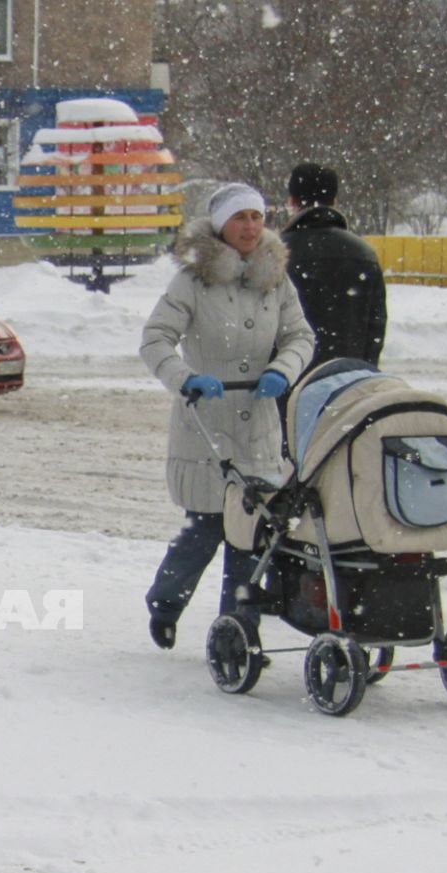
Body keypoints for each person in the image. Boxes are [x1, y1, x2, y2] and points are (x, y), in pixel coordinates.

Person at [140, 182, 314, 650]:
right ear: (220, 225)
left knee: (251, 535)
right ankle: (166, 602)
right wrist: (185, 377)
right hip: (206, 424)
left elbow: (301, 337)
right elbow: (155, 339)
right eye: (240, 218)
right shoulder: (193, 280)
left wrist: (282, 369)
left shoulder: (275, 279)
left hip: (257, 422)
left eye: (257, 217)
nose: (251, 227)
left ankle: (237, 632)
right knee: (206, 529)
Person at [279, 163, 386, 371]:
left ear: (292, 201)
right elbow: (375, 329)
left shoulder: (275, 253)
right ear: (335, 201)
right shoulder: (364, 253)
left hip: (288, 381)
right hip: (348, 383)